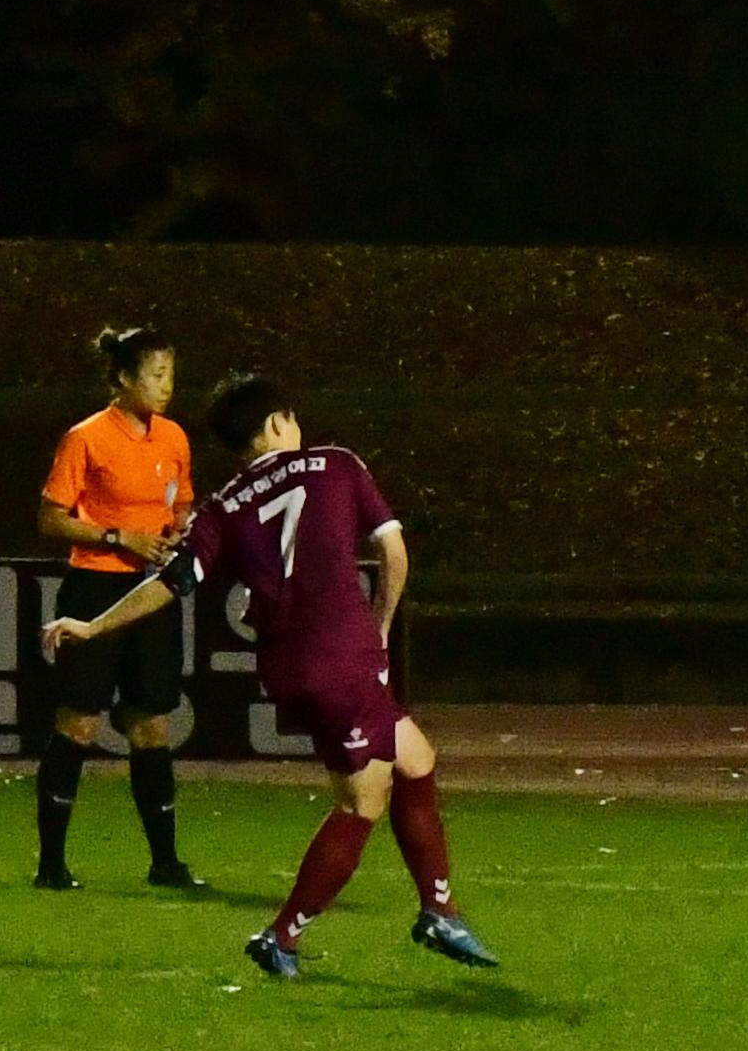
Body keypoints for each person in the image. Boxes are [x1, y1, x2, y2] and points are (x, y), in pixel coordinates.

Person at [48, 372, 496, 983]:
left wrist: (95, 626)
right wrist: (382, 626)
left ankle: (439, 909)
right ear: (281, 422)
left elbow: (171, 584)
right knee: (361, 802)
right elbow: (393, 551)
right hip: (341, 658)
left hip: (291, 665)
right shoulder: (337, 465)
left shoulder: (224, 506)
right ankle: (281, 936)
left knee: (416, 759)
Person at [33, 323, 201, 891]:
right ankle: (51, 865)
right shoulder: (86, 437)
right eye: (155, 375)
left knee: (151, 723)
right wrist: (116, 537)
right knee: (78, 722)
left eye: (170, 376)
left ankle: (166, 862)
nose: (165, 387)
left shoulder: (174, 437)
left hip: (152, 594)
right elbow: (51, 518)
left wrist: (178, 531)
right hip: (94, 588)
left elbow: (182, 505)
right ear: (125, 378)